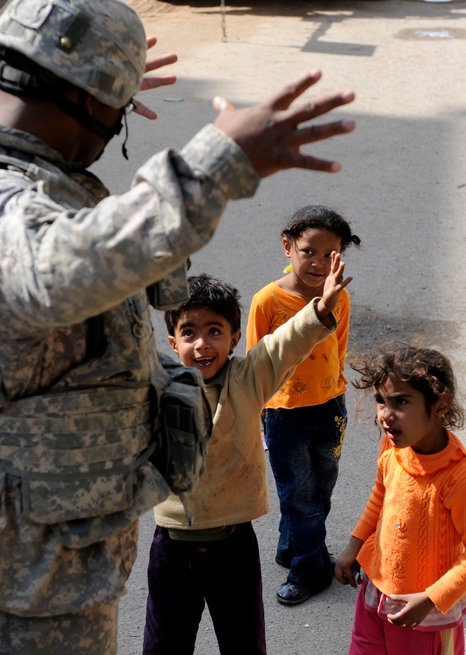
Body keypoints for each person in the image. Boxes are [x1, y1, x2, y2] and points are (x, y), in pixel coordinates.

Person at [0, 0, 356, 651]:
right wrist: (215, 166)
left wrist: (97, 85)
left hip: (39, 550)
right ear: (90, 102)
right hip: (16, 573)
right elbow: (56, 270)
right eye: (114, 109)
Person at [144, 255, 350, 655]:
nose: (202, 344)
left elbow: (285, 344)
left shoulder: (247, 378)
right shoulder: (158, 387)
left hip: (233, 545)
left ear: (234, 339)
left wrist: (321, 309)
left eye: (214, 331)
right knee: (163, 645)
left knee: (243, 645)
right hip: (171, 547)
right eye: (189, 333)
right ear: (173, 344)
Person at [334, 345, 466, 655]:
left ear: (440, 405)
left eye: (400, 402)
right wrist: (354, 547)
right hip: (375, 592)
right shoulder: (393, 447)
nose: (385, 415)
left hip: (425, 615)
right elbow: (379, 498)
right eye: (381, 401)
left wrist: (432, 598)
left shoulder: (464, 480)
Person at [245, 204, 360, 605]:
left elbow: (338, 349)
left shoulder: (338, 298)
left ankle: (290, 546)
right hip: (283, 415)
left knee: (321, 486)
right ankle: (310, 569)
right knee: (299, 493)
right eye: (308, 250)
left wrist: (337, 392)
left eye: (329, 254)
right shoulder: (267, 301)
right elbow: (256, 361)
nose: (317, 262)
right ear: (287, 247)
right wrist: (256, 414)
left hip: (330, 408)